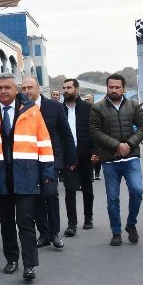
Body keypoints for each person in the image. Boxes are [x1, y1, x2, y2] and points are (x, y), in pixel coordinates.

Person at [0, 73, 54, 282]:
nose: (4, 91)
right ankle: (12, 259)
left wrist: (47, 173)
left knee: (25, 220)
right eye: (0, 88)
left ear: (16, 89)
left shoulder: (32, 111)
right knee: (6, 221)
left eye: (8, 87)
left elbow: (43, 142)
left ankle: (30, 265)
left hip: (26, 172)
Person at [90, 74, 143, 247]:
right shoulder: (97, 107)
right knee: (113, 199)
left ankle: (131, 224)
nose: (114, 90)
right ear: (107, 88)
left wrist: (128, 144)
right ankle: (116, 232)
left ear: (124, 88)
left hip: (131, 159)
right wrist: (116, 146)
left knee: (137, 191)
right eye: (111, 87)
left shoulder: (134, 105)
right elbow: (94, 131)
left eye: (117, 87)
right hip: (109, 161)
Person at [22, 77, 76, 250]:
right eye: (23, 88)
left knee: (51, 195)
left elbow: (66, 133)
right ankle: (43, 234)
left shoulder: (54, 106)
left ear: (38, 88)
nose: (27, 91)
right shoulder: (20, 108)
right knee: (36, 197)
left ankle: (54, 233)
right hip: (29, 160)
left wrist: (71, 158)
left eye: (30, 87)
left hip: (51, 159)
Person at [61, 79, 96, 235]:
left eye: (69, 87)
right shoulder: (59, 109)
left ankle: (88, 217)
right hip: (68, 156)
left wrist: (96, 152)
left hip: (86, 154)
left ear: (77, 89)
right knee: (69, 189)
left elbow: (95, 132)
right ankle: (71, 224)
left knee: (87, 187)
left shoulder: (89, 109)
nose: (66, 90)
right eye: (64, 88)